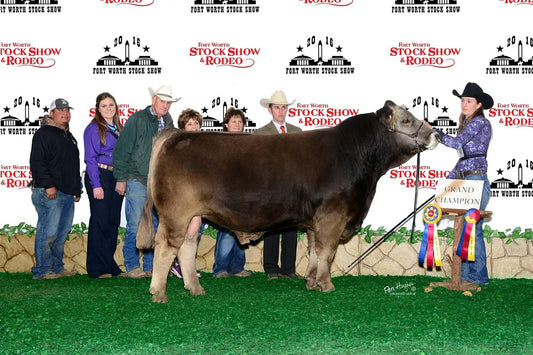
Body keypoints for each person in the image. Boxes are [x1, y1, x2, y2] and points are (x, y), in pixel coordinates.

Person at [113, 85, 179, 278]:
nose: (165, 105)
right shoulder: (137, 119)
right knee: (135, 223)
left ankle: (151, 266)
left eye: (168, 102)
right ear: (154, 100)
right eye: (162, 101)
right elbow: (122, 150)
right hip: (137, 178)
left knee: (157, 225)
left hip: (159, 182)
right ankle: (132, 266)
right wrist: (121, 178)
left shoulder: (168, 121)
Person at [431, 82, 493, 286]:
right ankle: (466, 276)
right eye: (463, 100)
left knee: (473, 228)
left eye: (469, 101)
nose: (464, 104)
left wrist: (432, 131)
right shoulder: (468, 124)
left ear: (478, 105)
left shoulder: (479, 123)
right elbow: (463, 160)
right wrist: (448, 183)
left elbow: (456, 144)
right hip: (467, 179)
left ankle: (477, 277)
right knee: (468, 228)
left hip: (475, 180)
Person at [29, 98, 81, 280]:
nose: (65, 113)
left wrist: (76, 189)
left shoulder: (68, 136)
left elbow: (71, 165)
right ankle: (43, 270)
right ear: (51, 114)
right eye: (60, 110)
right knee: (48, 231)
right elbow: (37, 162)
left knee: (60, 233)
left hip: (66, 192)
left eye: (67, 110)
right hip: (49, 191)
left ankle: (57, 268)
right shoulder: (44, 133)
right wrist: (48, 185)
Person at [255, 90, 303, 280]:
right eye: (277, 108)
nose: (281, 111)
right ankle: (271, 268)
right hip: (271, 188)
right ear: (270, 110)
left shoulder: (297, 132)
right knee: (272, 227)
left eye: (284, 107)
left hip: (292, 188)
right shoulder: (261, 133)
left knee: (290, 227)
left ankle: (288, 268)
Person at [83, 92, 124, 278]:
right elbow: (90, 159)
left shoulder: (119, 128)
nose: (108, 108)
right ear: (98, 109)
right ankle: (96, 268)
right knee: (100, 221)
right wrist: (96, 184)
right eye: (104, 106)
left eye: (111, 105)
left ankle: (108, 264)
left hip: (116, 176)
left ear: (116, 107)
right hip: (99, 174)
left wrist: (122, 178)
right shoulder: (93, 128)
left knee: (113, 222)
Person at [212, 108, 252, 278]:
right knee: (228, 229)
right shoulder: (220, 143)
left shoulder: (249, 143)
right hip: (226, 191)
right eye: (234, 121)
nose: (237, 124)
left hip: (245, 191)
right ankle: (220, 268)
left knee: (242, 227)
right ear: (226, 124)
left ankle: (237, 267)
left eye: (240, 121)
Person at [169, 108, 205, 279]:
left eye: (196, 123)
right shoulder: (179, 145)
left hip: (200, 193)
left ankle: (183, 264)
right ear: (183, 127)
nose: (193, 127)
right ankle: (178, 263)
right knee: (188, 227)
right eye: (189, 124)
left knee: (194, 229)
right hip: (183, 192)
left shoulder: (203, 146)